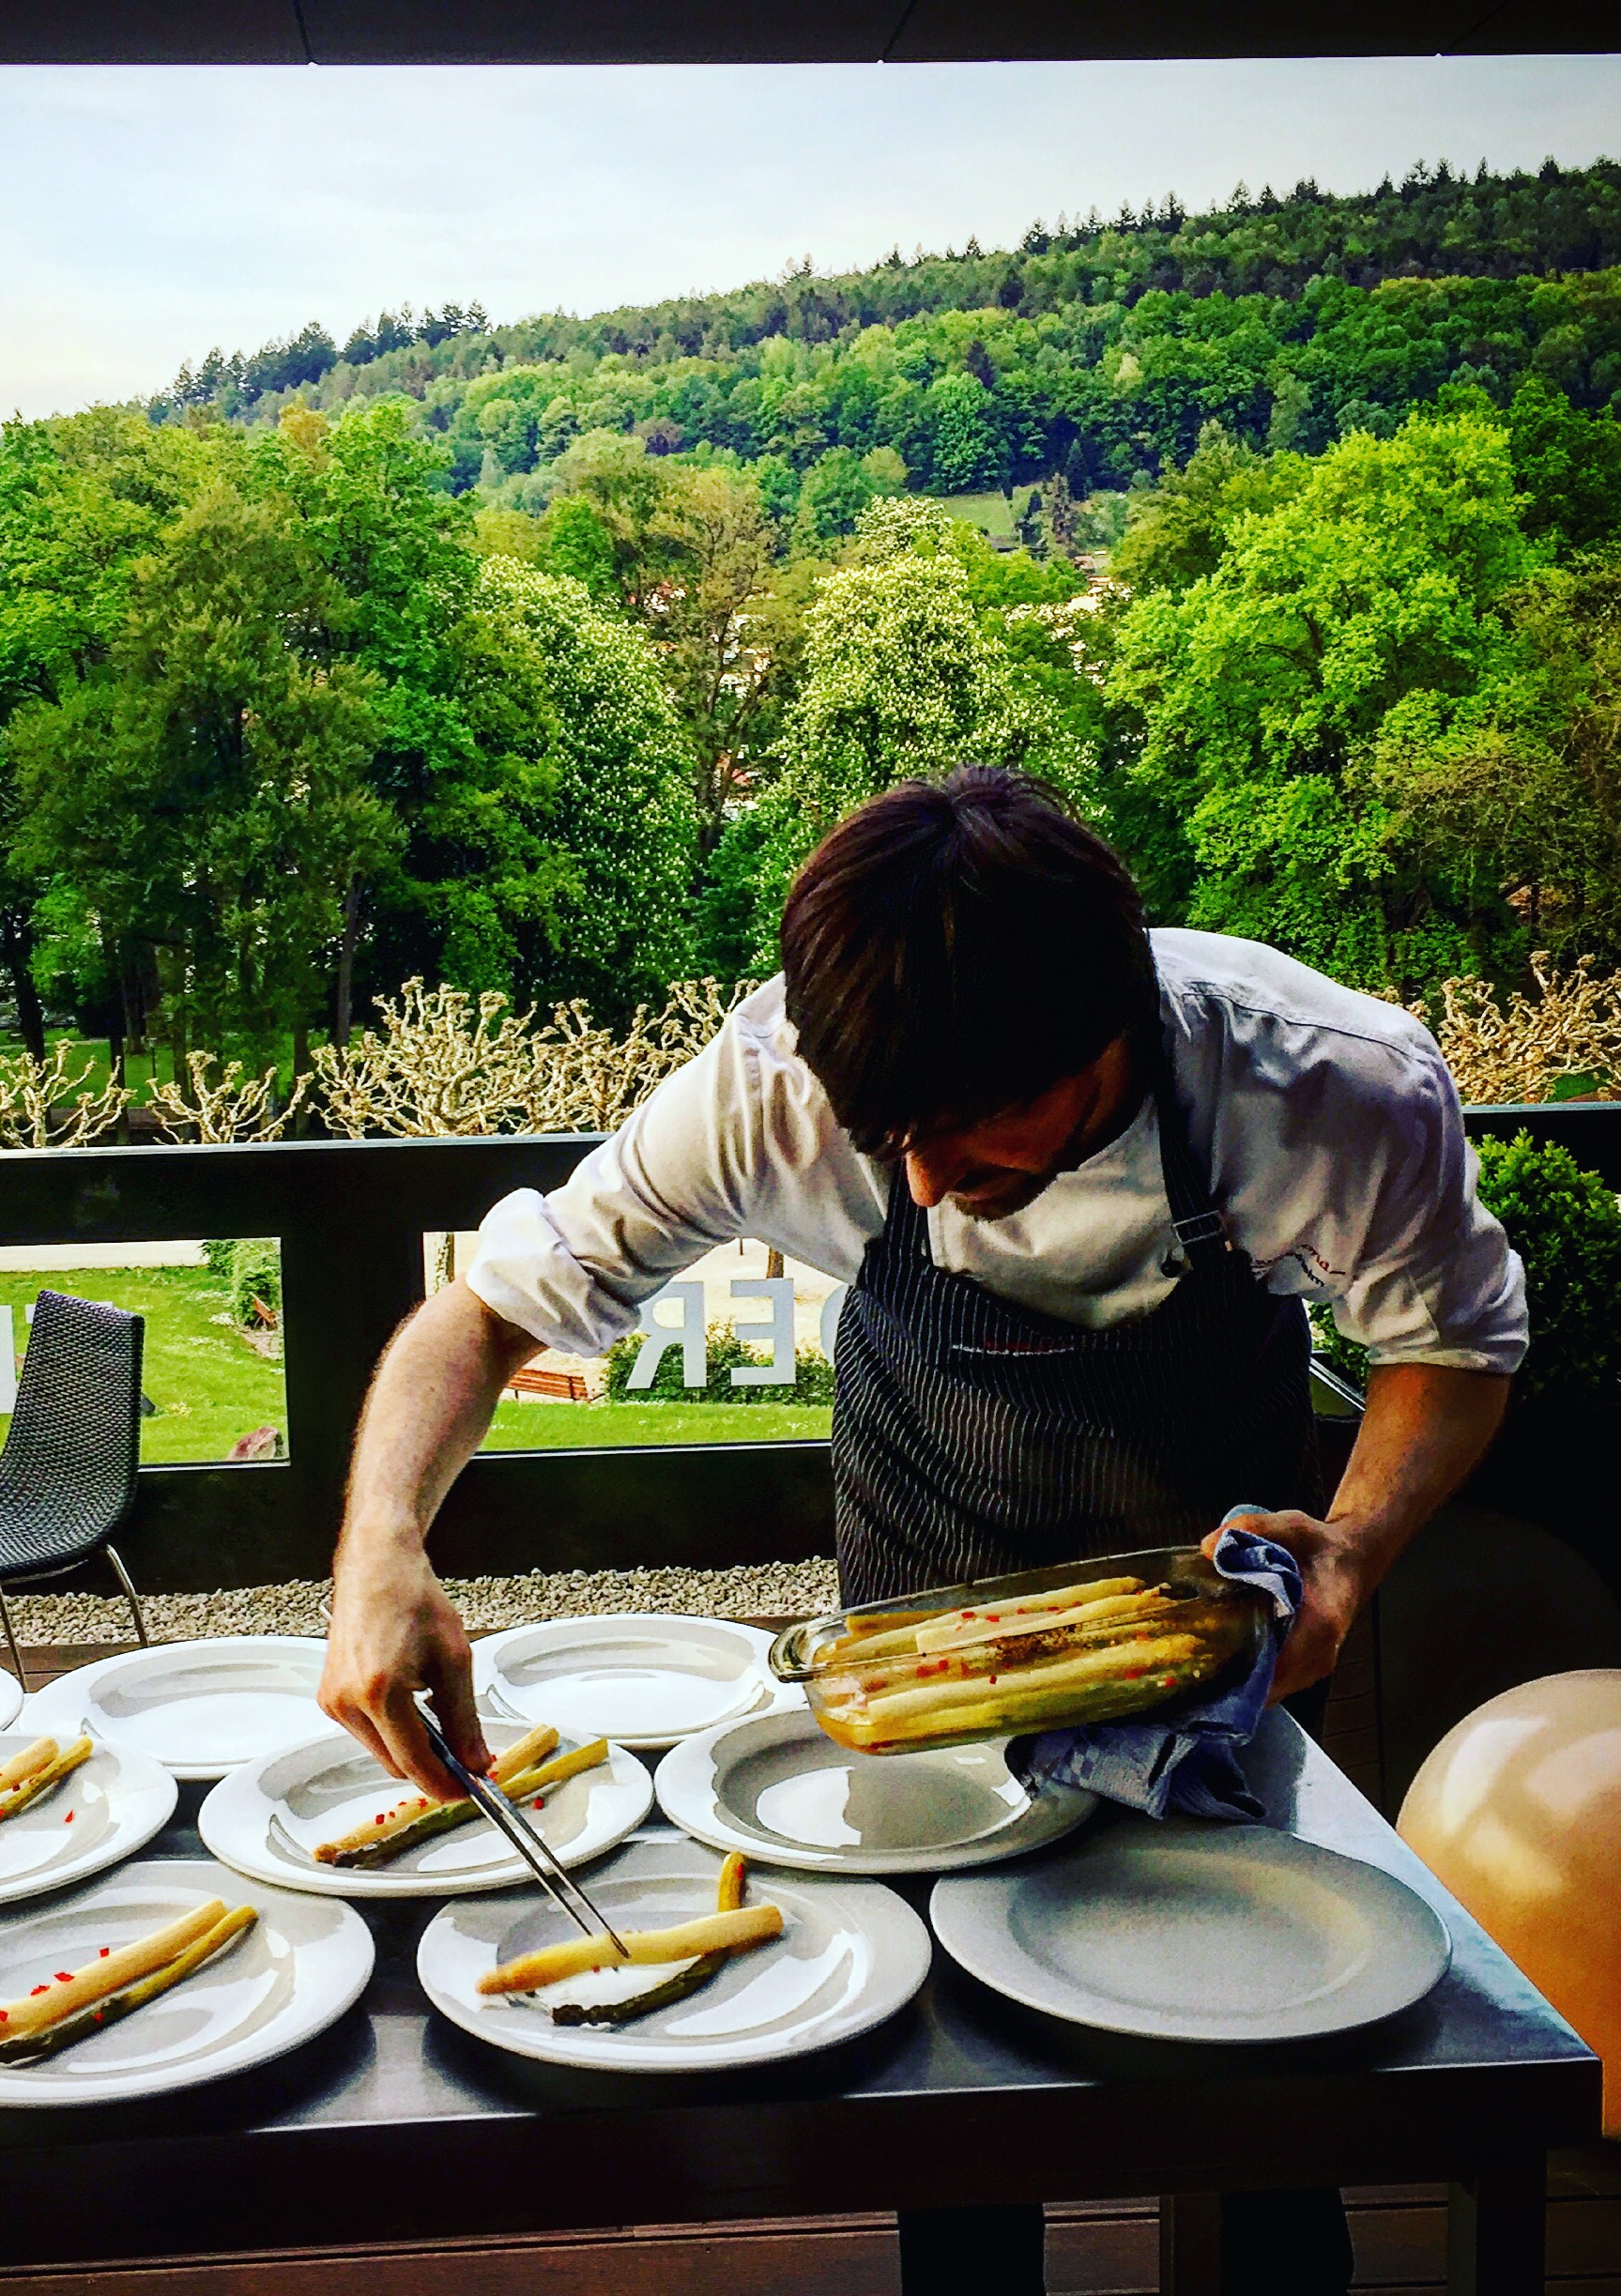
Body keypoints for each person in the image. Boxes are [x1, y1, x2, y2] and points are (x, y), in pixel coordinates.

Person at [317, 767, 1523, 2296]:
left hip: (1206, 1636)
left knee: (1256, 2083)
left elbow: (1458, 1345)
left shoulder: (1327, 1086)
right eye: (886, 1134)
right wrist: (378, 1542)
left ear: (1109, 1029)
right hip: (911, 1634)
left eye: (975, 1130)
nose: (929, 1181)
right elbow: (481, 1320)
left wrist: (1351, 1544)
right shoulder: (767, 1087)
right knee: (948, 2089)